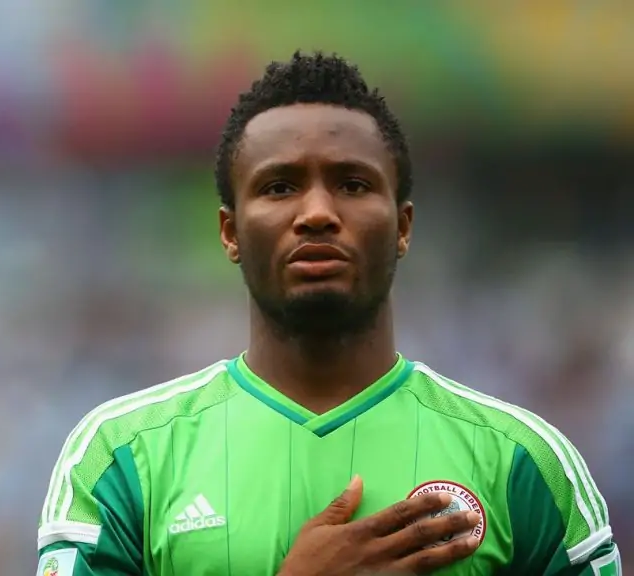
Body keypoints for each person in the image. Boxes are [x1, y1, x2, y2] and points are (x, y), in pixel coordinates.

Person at [35, 51, 621, 575]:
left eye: (352, 184)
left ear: (403, 227)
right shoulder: (122, 456)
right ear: (230, 231)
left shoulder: (522, 462)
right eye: (279, 187)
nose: (317, 212)